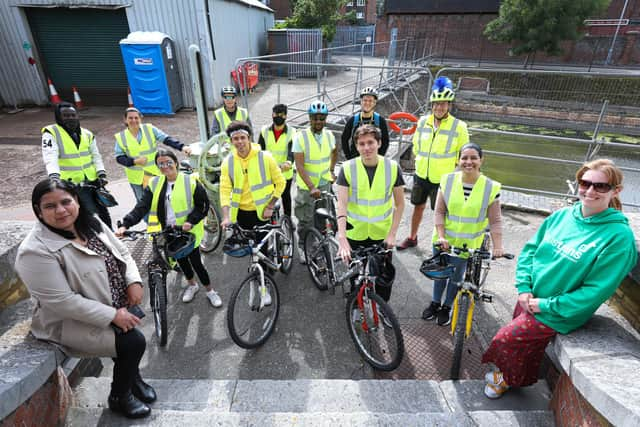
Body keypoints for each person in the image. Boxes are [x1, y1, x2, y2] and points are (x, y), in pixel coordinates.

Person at [481, 159, 637, 399]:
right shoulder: (563, 215)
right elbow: (531, 251)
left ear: (616, 191)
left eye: (601, 186)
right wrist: (524, 288)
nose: (590, 191)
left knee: (505, 340)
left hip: (558, 312)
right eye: (585, 183)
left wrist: (545, 305)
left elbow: (595, 291)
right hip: (530, 296)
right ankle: (514, 378)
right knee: (526, 347)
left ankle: (507, 378)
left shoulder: (618, 238)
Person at [15, 178, 155, 419]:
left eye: (66, 201)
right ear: (38, 211)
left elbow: (122, 252)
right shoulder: (34, 251)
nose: (60, 210)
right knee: (133, 343)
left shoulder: (91, 222)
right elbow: (63, 302)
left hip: (113, 302)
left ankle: (133, 380)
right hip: (70, 320)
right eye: (50, 206)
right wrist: (113, 315)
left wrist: (133, 281)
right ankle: (120, 397)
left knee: (125, 343)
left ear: (77, 201)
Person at [116, 149, 222, 307]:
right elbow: (141, 207)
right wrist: (126, 224)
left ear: (176, 163)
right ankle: (192, 285)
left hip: (189, 231)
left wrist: (191, 221)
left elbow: (203, 206)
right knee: (181, 261)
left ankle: (210, 291)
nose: (165, 166)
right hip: (169, 232)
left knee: (196, 263)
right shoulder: (155, 183)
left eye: (168, 162)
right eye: (161, 164)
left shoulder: (190, 182)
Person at [422, 143, 504, 326]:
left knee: (455, 278)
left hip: (468, 244)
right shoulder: (448, 180)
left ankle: (447, 307)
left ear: (481, 160)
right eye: (464, 158)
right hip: (443, 240)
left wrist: (498, 246)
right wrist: (441, 235)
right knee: (440, 273)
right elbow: (439, 211)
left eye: (473, 158)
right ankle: (435, 303)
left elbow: (496, 221)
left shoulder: (491, 187)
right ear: (458, 160)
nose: (469, 162)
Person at [397, 76, 469, 250]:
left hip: (444, 179)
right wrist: (419, 163)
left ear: (449, 105)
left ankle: (441, 244)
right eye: (436, 104)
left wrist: (458, 176)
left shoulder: (459, 126)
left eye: (443, 104)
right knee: (418, 208)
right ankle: (412, 237)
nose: (439, 107)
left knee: (442, 213)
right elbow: (416, 145)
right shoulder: (423, 122)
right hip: (421, 175)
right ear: (431, 105)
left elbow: (465, 155)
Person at [336, 124, 405, 303]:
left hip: (381, 233)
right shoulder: (347, 168)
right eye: (361, 144)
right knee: (355, 275)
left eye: (370, 143)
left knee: (383, 277)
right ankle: (356, 305)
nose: (366, 148)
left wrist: (392, 234)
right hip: (355, 233)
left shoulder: (392, 167)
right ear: (356, 146)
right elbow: (342, 204)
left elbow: (400, 204)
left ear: (379, 143)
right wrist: (342, 238)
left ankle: (383, 308)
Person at [41, 102, 112, 228]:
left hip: (92, 181)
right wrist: (54, 177)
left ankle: (110, 236)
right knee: (91, 214)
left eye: (73, 115)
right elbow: (50, 156)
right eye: (66, 115)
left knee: (103, 212)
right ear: (59, 117)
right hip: (71, 183)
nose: (70, 118)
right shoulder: (51, 133)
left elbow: (95, 155)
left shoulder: (87, 134)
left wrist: (101, 173)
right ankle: (100, 239)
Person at [220, 120, 286, 237]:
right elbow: (224, 191)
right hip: (241, 213)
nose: (239, 141)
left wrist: (270, 206)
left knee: (264, 250)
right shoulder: (227, 162)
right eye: (235, 139)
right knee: (249, 247)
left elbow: (281, 183)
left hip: (263, 211)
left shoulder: (265, 157)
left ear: (249, 138)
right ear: (231, 141)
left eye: (242, 137)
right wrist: (226, 217)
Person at [114, 107, 192, 203]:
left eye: (136, 118)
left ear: (140, 119)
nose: (133, 120)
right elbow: (119, 157)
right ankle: (147, 219)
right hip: (136, 178)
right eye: (130, 118)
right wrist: (134, 161)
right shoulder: (121, 137)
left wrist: (182, 147)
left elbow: (166, 139)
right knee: (143, 204)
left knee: (162, 201)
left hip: (154, 173)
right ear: (125, 120)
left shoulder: (149, 129)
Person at [293, 100, 338, 264]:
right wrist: (311, 186)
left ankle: (318, 243)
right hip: (307, 187)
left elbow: (335, 151)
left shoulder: (329, 135)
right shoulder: (301, 137)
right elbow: (299, 165)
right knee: (306, 219)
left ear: (325, 119)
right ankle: (303, 246)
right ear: (310, 118)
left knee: (322, 216)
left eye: (321, 118)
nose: (318, 121)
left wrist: (332, 170)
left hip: (324, 182)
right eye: (315, 118)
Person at [258, 104, 295, 217]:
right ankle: (274, 219)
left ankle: (288, 219)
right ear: (272, 115)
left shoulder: (291, 132)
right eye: (276, 114)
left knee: (285, 196)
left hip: (284, 173)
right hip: (269, 173)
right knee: (270, 198)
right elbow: (260, 150)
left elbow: (292, 151)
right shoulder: (264, 131)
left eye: (281, 115)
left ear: (286, 116)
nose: (278, 117)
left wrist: (288, 162)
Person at [340, 87, 390, 160]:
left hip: (373, 160)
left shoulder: (380, 120)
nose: (367, 103)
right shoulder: (353, 120)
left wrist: (380, 157)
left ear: (375, 102)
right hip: (356, 159)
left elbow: (385, 141)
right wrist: (349, 157)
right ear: (361, 101)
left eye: (370, 101)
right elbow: (344, 138)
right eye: (365, 100)